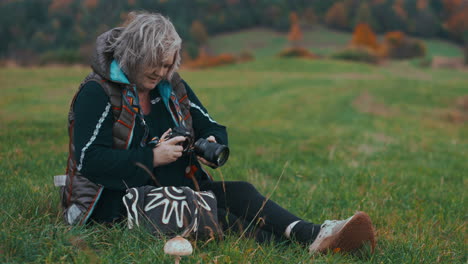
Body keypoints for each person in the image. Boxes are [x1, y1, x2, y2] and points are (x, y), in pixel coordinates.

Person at [61, 11, 375, 254]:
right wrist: (152, 156)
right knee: (212, 212)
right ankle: (310, 245)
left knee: (240, 193)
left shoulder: (170, 86)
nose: (160, 72)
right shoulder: (98, 92)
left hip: (175, 189)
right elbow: (90, 160)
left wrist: (213, 142)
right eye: (153, 64)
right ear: (133, 55)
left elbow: (210, 125)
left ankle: (314, 234)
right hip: (110, 202)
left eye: (167, 65)